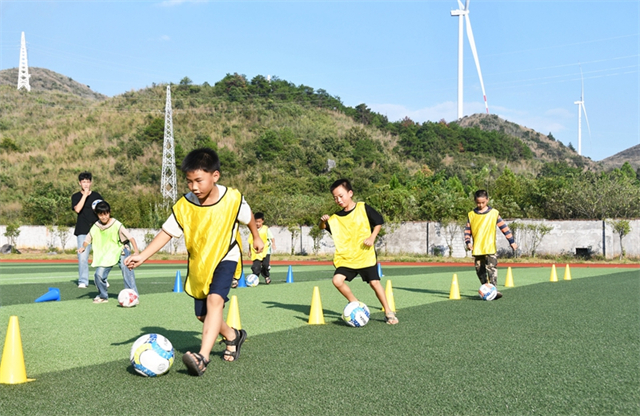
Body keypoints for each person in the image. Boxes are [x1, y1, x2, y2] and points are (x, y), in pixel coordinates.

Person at [125, 147, 264, 377]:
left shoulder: (232, 198)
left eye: (198, 180)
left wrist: (256, 237)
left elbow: (248, 216)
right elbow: (166, 232)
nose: (194, 187)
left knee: (215, 301)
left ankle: (202, 357)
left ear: (215, 176)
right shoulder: (185, 206)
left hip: (226, 256)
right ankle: (233, 335)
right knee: (202, 315)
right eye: (189, 182)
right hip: (200, 263)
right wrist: (143, 255)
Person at [319, 178, 398, 325]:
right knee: (337, 280)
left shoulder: (363, 207)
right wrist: (323, 221)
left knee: (374, 283)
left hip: (364, 255)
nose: (338, 200)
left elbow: (379, 221)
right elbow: (323, 227)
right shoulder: (336, 218)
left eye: (341, 196)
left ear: (350, 193)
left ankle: (388, 311)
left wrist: (372, 237)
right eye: (335, 198)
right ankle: (355, 303)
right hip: (347, 258)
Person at [78, 200, 139, 303]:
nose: (103, 217)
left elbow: (131, 238)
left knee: (126, 268)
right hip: (108, 253)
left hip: (122, 249)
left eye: (105, 214)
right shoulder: (96, 226)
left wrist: (136, 252)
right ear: (97, 214)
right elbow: (88, 238)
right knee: (98, 275)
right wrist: (83, 247)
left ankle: (133, 295)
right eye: (100, 215)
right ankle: (103, 296)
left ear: (109, 212)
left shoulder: (117, 224)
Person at [464, 189, 518, 299]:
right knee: (479, 270)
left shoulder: (494, 213)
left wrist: (511, 241)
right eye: (478, 203)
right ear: (475, 201)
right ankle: (486, 288)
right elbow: (467, 231)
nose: (480, 205)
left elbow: (504, 227)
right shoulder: (471, 215)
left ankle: (493, 289)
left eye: (483, 202)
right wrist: (468, 242)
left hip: (489, 247)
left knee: (492, 268)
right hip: (478, 248)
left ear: (487, 200)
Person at [71, 171, 103, 288]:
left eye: (88, 182)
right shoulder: (76, 196)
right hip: (83, 230)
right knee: (83, 257)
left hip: (97, 229)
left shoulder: (97, 196)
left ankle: (101, 279)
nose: (86, 184)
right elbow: (77, 209)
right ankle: (83, 281)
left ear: (91, 183)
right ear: (80, 183)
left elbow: (103, 211)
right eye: (83, 182)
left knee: (101, 256)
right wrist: (84, 195)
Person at [247, 212, 276, 284]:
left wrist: (273, 244)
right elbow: (250, 241)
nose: (257, 224)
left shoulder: (266, 229)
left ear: (262, 221)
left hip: (265, 250)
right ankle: (254, 278)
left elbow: (272, 238)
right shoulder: (253, 230)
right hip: (256, 251)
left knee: (265, 265)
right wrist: (249, 251)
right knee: (256, 266)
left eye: (259, 222)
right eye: (256, 222)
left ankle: (266, 276)